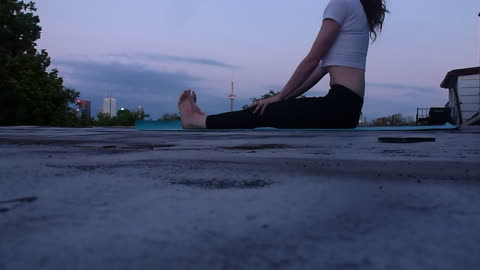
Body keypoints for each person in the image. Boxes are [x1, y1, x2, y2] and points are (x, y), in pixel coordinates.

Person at [178, 0, 388, 129]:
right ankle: (200, 117)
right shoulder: (356, 9)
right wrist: (284, 98)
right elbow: (319, 69)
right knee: (268, 109)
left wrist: (279, 97)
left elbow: (311, 60)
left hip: (337, 107)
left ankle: (196, 120)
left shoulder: (342, 3)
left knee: (261, 114)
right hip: (347, 110)